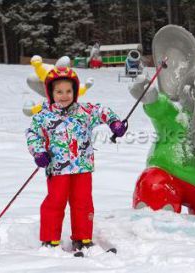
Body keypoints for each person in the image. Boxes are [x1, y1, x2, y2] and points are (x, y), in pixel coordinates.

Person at [26, 66, 126, 250]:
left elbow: (102, 110)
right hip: (57, 168)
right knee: (55, 202)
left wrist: (115, 122)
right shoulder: (43, 117)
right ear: (50, 92)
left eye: (68, 91)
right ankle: (50, 239)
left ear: (74, 91)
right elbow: (33, 134)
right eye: (59, 91)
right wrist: (38, 152)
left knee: (83, 202)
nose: (64, 95)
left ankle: (82, 238)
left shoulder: (85, 111)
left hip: (82, 167)